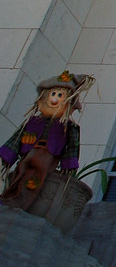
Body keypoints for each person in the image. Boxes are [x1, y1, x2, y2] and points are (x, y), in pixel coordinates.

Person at [0, 71, 94, 210]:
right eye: (53, 94)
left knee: (36, 178)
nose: (55, 99)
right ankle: (8, 196)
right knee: (20, 172)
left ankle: (20, 204)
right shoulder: (32, 121)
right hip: (29, 152)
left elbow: (72, 146)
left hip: (47, 155)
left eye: (60, 95)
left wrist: (68, 164)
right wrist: (8, 154)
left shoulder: (69, 127)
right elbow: (17, 137)